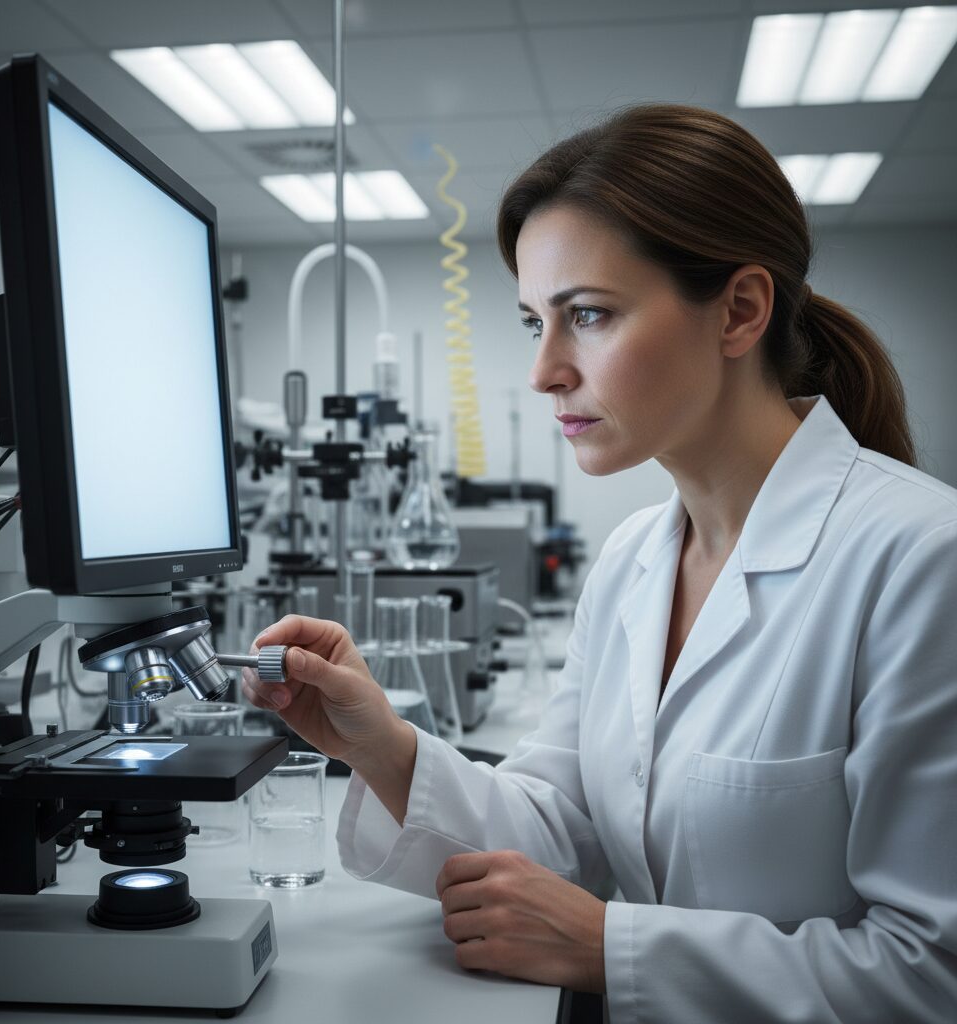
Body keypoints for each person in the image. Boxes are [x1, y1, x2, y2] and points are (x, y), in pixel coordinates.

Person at [242, 105, 957, 1022]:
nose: (544, 371)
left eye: (588, 315)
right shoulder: (632, 562)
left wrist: (611, 946)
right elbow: (562, 827)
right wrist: (378, 743)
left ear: (739, 310)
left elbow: (933, 973)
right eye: (535, 321)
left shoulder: (919, 561)